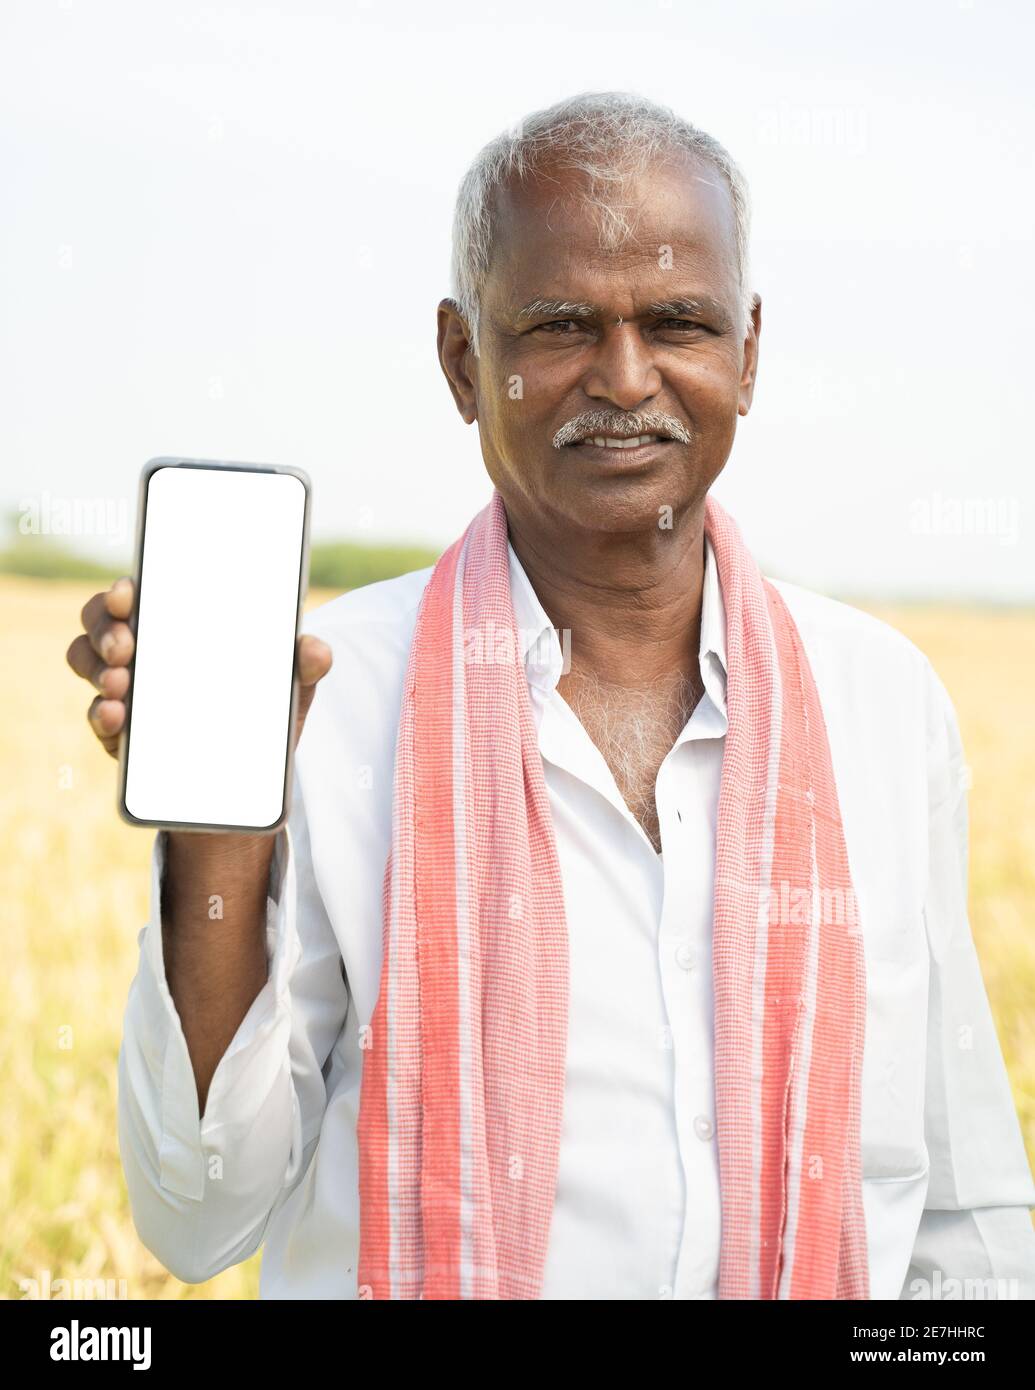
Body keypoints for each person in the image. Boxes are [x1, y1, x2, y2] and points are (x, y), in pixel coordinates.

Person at [68, 91, 1035, 1300]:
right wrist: (220, 828)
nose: (625, 378)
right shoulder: (323, 698)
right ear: (464, 360)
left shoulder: (880, 700)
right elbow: (198, 1218)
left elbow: (962, 1208)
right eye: (561, 325)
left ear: (748, 351)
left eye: (679, 321)